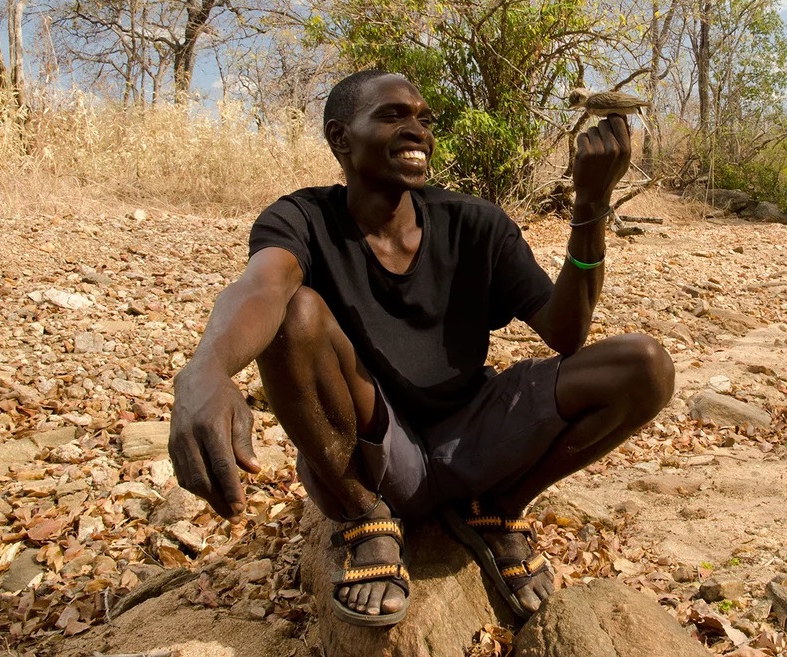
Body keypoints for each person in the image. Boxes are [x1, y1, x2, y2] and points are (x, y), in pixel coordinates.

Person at [169, 70, 675, 628]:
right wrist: (207, 368)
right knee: (296, 312)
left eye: (424, 119)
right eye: (393, 116)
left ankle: (498, 510)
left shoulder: (475, 223)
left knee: (644, 367)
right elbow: (262, 288)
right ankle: (365, 516)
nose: (418, 130)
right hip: (373, 452)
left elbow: (565, 332)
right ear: (340, 137)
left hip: (476, 442)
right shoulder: (304, 218)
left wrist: (592, 203)